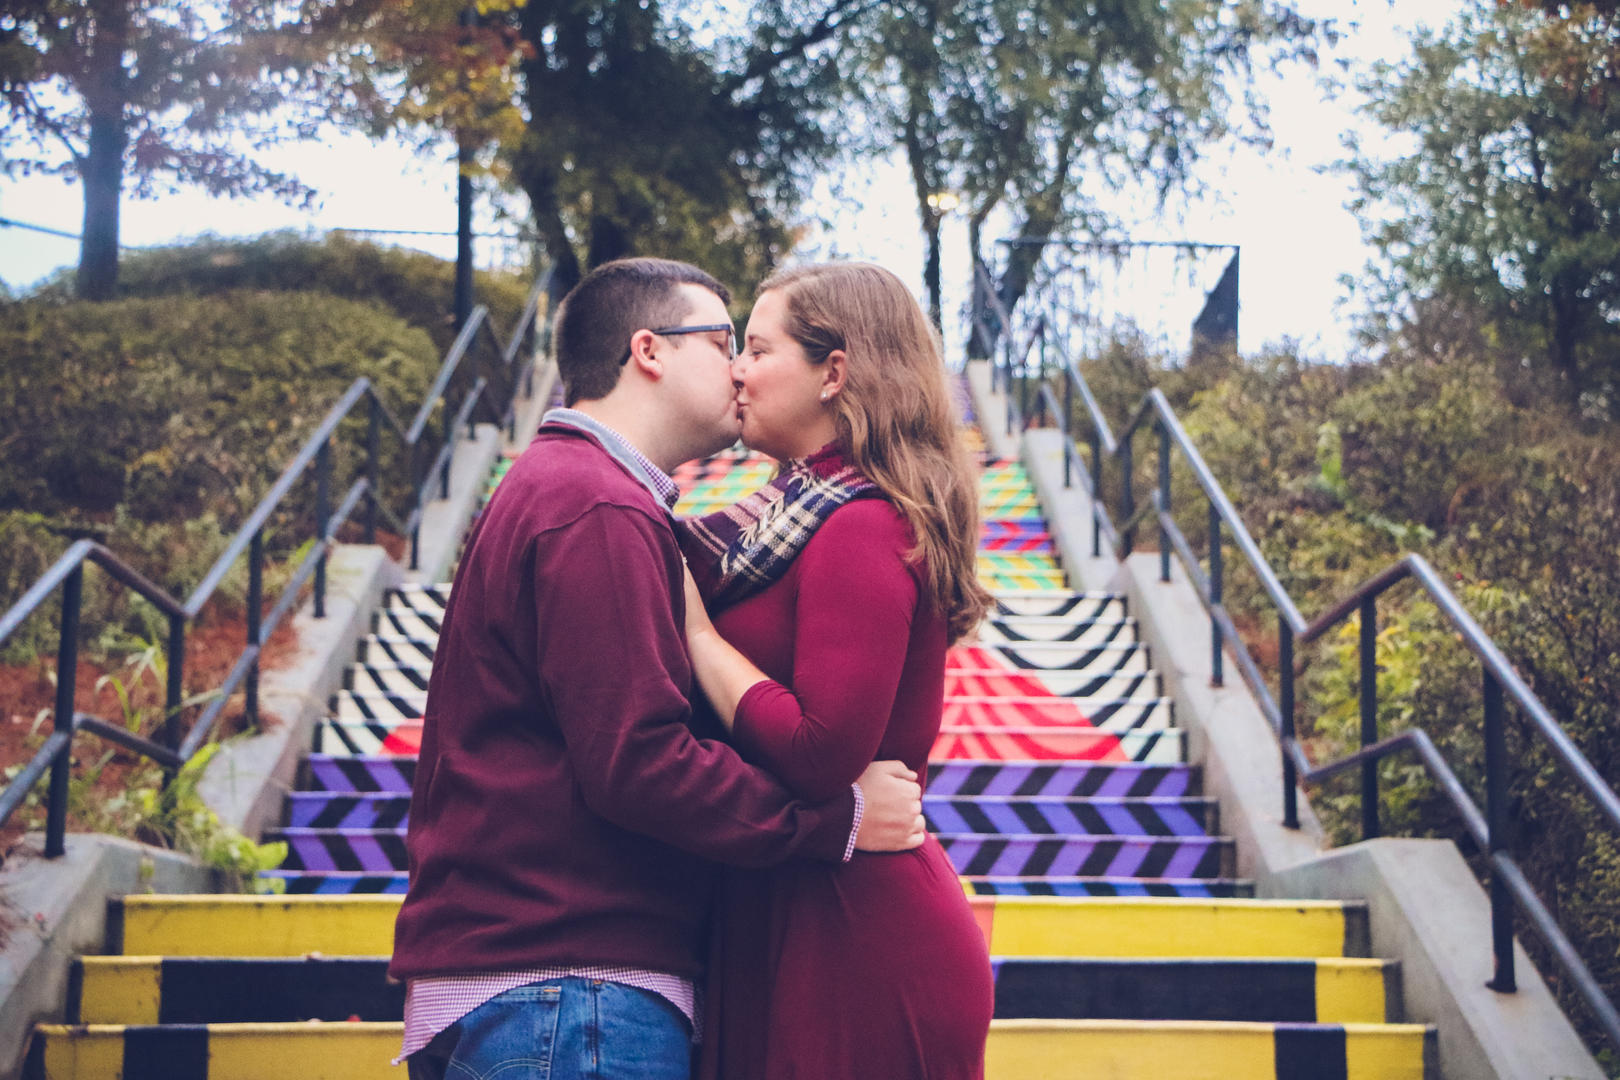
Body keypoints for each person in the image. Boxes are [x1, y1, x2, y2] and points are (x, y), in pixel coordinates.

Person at [388, 257, 929, 1080]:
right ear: (650, 351)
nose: (740, 369)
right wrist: (833, 823)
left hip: (549, 987)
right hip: (569, 988)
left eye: (753, 347)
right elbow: (639, 763)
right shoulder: (596, 504)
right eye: (723, 342)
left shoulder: (577, 492)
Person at [678, 262, 996, 1079]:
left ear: (836, 372)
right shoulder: (778, 521)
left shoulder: (861, 524)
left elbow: (825, 751)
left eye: (757, 346)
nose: (737, 368)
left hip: (860, 936)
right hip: (791, 910)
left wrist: (698, 635)